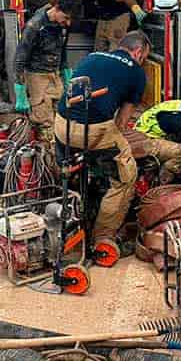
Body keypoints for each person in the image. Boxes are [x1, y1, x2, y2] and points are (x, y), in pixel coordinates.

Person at [55, 31, 152, 249]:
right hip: (93, 131)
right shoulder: (136, 72)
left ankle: (68, 207)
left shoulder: (92, 56)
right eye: (144, 58)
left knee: (67, 168)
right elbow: (121, 122)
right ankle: (103, 237)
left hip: (61, 125)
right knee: (126, 175)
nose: (142, 61)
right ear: (138, 53)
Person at [14, 0, 83, 141]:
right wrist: (20, 90)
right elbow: (20, 58)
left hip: (55, 74)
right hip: (37, 77)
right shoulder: (34, 26)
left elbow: (62, 51)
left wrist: (66, 74)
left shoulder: (63, 26)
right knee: (45, 123)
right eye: (66, 18)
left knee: (62, 116)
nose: (68, 23)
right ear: (57, 8)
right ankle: (47, 160)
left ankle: (60, 154)